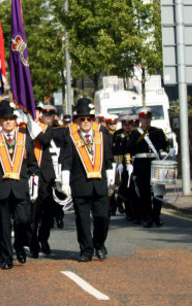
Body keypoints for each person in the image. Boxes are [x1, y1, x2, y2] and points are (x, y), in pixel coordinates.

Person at [0, 100, 39, 270]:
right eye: (4, 119)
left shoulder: (25, 139)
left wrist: (35, 187)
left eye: (11, 119)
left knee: (23, 220)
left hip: (21, 188)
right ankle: (6, 257)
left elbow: (33, 166)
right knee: (3, 225)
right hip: (0, 188)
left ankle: (20, 246)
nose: (8, 122)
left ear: (15, 121)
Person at [60, 98, 114, 262]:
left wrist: (111, 180)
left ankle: (99, 244)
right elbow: (66, 163)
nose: (85, 122)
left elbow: (109, 161)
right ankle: (86, 250)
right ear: (77, 121)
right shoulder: (71, 139)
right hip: (80, 185)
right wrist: (64, 182)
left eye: (88, 118)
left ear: (93, 120)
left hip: (99, 184)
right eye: (82, 119)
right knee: (82, 221)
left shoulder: (103, 137)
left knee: (103, 217)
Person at [127, 107, 172, 227]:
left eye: (148, 118)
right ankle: (146, 217)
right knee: (144, 192)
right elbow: (129, 149)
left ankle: (156, 216)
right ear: (140, 119)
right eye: (143, 118)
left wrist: (167, 151)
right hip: (141, 165)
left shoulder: (157, 131)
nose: (146, 120)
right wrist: (129, 164)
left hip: (156, 162)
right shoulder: (135, 133)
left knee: (158, 191)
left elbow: (166, 145)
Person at [27, 104, 58, 258]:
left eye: (50, 113)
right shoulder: (25, 127)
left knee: (48, 212)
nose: (47, 115)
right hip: (30, 175)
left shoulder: (48, 129)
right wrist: (28, 125)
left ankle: (43, 239)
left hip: (46, 177)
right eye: (44, 113)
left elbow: (45, 140)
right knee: (33, 213)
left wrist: (33, 128)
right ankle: (33, 244)